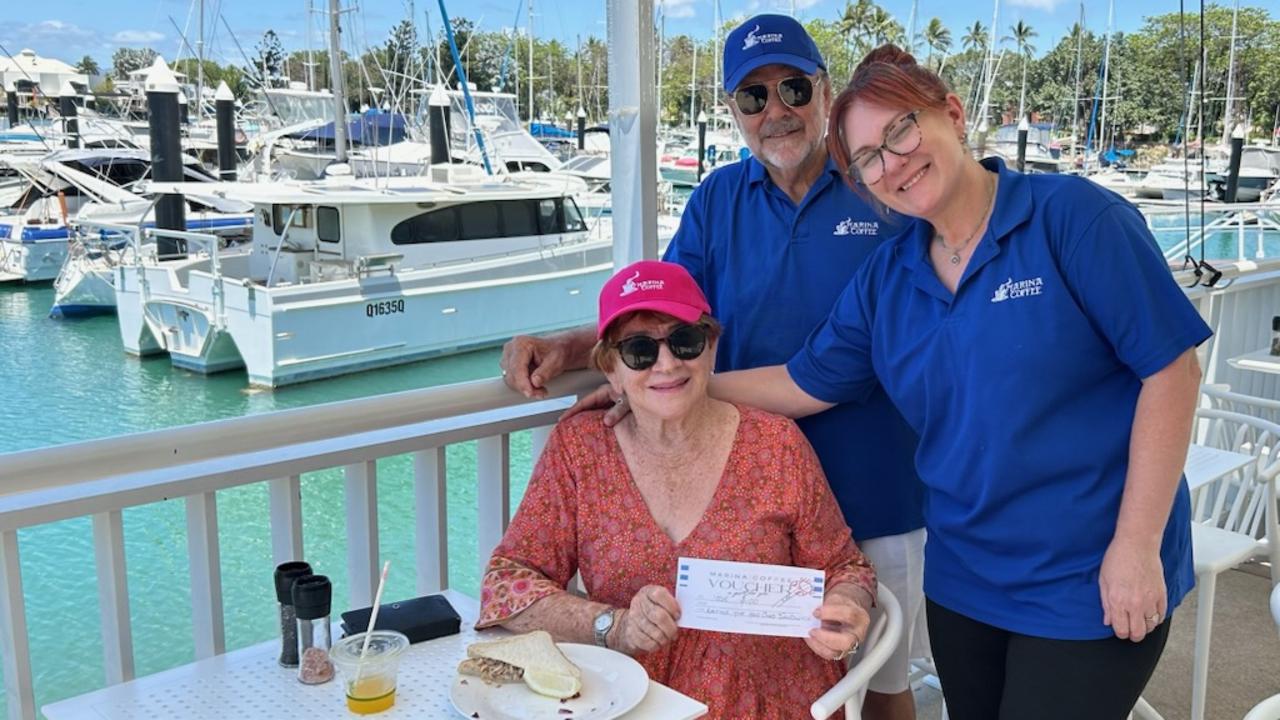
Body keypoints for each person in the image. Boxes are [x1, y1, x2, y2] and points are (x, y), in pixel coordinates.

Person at [696, 46, 1209, 719]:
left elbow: (1171, 370)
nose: (893, 164)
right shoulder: (888, 277)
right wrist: (672, 389)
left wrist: (1137, 548)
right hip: (964, 579)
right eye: (870, 160)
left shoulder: (1074, 220)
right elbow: (801, 383)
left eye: (901, 131)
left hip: (1087, 574)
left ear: (953, 114)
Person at [501, 16, 927, 719]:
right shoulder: (717, 199)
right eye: (753, 98)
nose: (776, 112)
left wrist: (653, 391)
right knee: (750, 665)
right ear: (732, 111)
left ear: (823, 93)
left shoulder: (880, 191)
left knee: (880, 682)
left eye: (792, 88)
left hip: (875, 487)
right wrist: (580, 350)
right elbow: (662, 312)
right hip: (738, 491)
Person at [478, 260, 877, 719]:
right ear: (611, 370)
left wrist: (846, 605)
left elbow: (846, 566)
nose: (667, 364)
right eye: (639, 350)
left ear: (710, 348)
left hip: (774, 700)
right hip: (629, 701)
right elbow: (506, 582)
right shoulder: (580, 450)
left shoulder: (777, 443)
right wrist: (612, 625)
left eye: (685, 341)